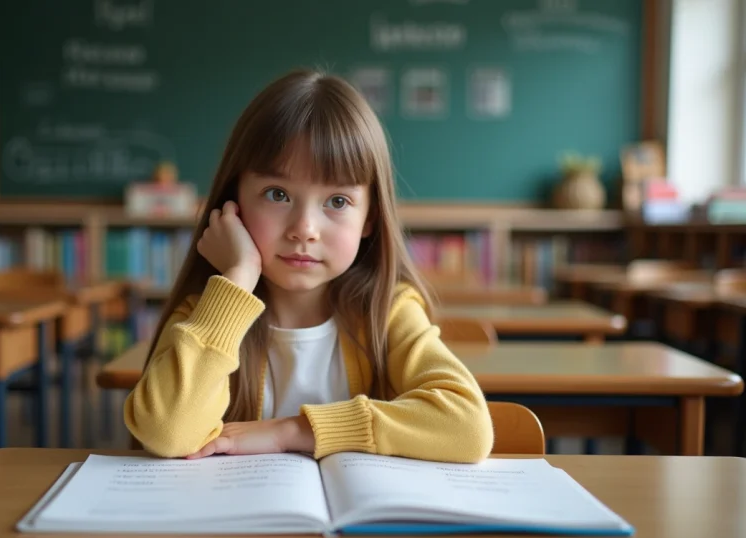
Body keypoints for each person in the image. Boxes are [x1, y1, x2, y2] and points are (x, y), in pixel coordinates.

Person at [124, 69, 493, 462]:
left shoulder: (386, 312)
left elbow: (468, 428)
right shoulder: (208, 313)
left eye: (337, 201)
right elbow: (166, 432)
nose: (304, 229)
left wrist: (291, 431)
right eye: (277, 194)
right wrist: (238, 277)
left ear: (370, 218)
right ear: (235, 203)